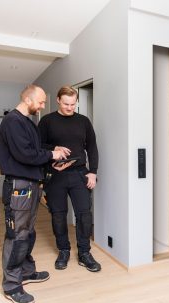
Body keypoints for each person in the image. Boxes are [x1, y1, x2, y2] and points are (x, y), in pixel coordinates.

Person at [0, 84, 67, 303]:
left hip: (31, 185)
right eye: (40, 101)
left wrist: (51, 159)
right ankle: (11, 285)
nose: (43, 105)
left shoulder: (27, 122)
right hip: (19, 187)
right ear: (28, 100)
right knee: (17, 234)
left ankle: (26, 272)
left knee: (28, 233)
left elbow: (34, 150)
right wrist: (51, 154)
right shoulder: (12, 122)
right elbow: (25, 154)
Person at [39, 86, 101, 272]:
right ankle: (64, 250)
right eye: (66, 104)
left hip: (79, 173)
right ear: (58, 100)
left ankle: (84, 253)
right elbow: (38, 146)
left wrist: (93, 171)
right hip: (56, 174)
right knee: (58, 215)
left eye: (73, 104)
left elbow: (92, 147)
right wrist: (54, 147)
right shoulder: (47, 121)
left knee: (84, 215)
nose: (70, 107)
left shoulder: (83, 121)